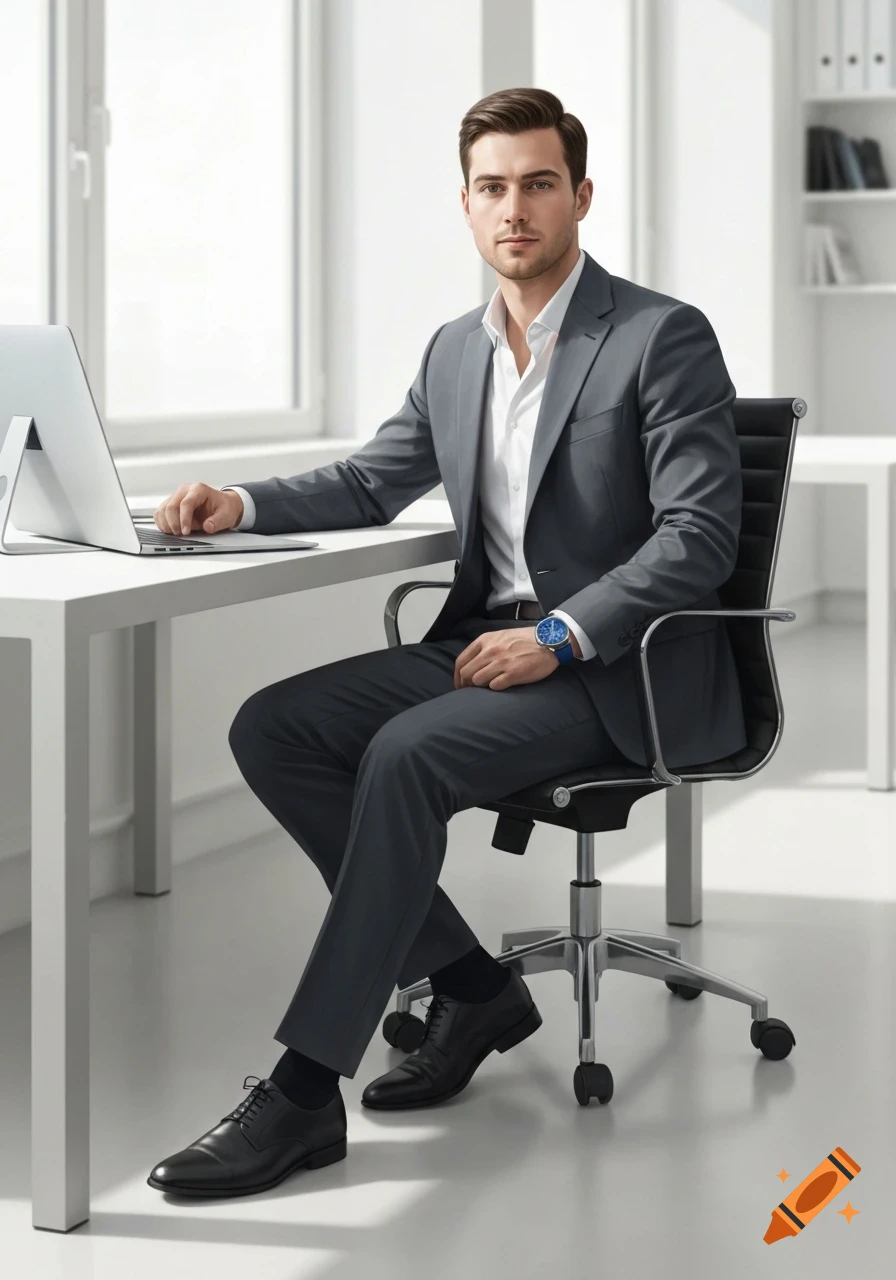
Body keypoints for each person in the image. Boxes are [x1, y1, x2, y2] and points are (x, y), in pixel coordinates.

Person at [147, 86, 747, 1199]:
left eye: (535, 183)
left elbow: (700, 534)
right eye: (490, 187)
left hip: (616, 670)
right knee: (273, 726)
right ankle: (471, 985)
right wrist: (240, 500)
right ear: (464, 206)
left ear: (579, 196)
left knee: (406, 753)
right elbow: (371, 478)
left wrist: (561, 637)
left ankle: (300, 1089)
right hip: (479, 637)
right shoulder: (454, 349)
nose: (511, 207)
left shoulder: (658, 335)